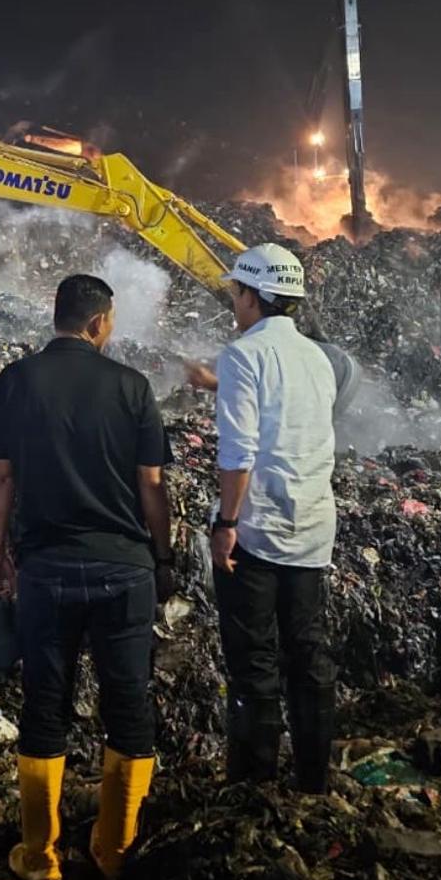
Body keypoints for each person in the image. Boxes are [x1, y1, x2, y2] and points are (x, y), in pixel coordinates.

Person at [0, 274, 173, 880]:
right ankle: (114, 849)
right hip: (125, 570)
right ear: (98, 323)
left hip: (47, 571)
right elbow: (152, 485)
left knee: (45, 706)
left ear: (58, 316)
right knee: (128, 704)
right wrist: (163, 555)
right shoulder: (131, 386)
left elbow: (2, 478)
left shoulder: (16, 381)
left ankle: (41, 859)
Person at [186, 243, 339, 793]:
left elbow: (239, 453)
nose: (234, 301)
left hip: (257, 531)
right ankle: (314, 781)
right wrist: (216, 384)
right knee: (308, 654)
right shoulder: (318, 358)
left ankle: (255, 788)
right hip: (313, 527)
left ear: (253, 296)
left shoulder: (243, 354)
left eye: (237, 292)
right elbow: (291, 411)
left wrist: (226, 525)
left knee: (254, 663)